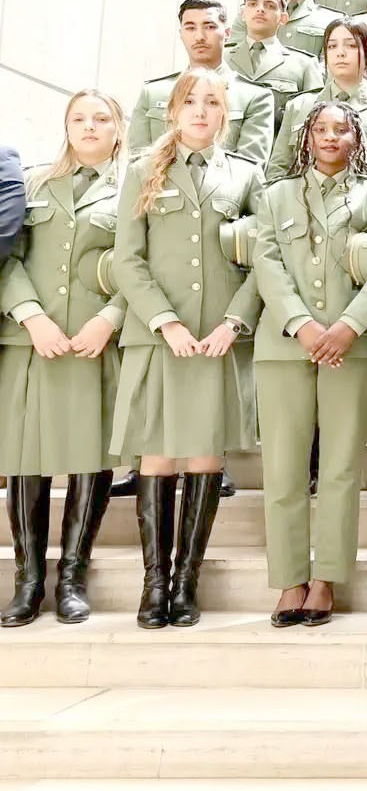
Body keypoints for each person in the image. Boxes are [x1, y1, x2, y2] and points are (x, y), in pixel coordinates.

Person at [110, 68, 265, 628]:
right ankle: (154, 583)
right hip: (160, 337)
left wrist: (234, 322)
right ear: (173, 110)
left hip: (218, 340)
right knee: (157, 452)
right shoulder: (142, 169)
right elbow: (127, 258)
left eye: (212, 103)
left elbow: (263, 257)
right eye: (190, 101)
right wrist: (165, 322)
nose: (201, 111)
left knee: (204, 452)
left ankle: (186, 583)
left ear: (226, 114)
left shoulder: (246, 175)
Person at [252, 99, 367, 628]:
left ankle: (326, 579)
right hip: (284, 345)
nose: (332, 137)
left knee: (339, 467)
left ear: (358, 138)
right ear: (305, 137)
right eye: (321, 128)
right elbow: (265, 264)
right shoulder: (274, 196)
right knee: (285, 469)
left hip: (352, 347)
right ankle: (290, 577)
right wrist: (302, 324)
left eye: (342, 129)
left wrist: (348, 326)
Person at [0, 91, 126, 625]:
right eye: (79, 118)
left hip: (94, 340)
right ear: (65, 126)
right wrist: (32, 316)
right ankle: (28, 579)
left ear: (119, 128)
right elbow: (6, 254)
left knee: (88, 456)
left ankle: (73, 575)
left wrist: (111, 318)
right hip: (34, 340)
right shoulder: (32, 183)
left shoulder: (136, 190)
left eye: (101, 118)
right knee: (27, 457)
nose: (89, 127)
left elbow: (145, 265)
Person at [129, 0, 276, 165]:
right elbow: (137, 164)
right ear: (181, 34)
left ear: (227, 34)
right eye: (190, 28)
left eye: (209, 27)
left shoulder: (254, 97)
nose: (199, 36)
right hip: (159, 189)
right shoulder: (154, 92)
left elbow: (250, 169)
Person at [269, 18, 367, 182]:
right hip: (302, 203)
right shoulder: (299, 105)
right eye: (332, 46)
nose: (340, 52)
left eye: (351, 45)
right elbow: (277, 171)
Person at [227, 0, 324, 123]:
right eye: (252, 4)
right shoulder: (220, 58)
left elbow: (314, 121)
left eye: (270, 6)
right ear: (243, 14)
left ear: (283, 18)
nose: (260, 9)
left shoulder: (304, 65)